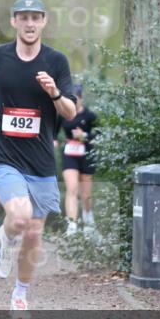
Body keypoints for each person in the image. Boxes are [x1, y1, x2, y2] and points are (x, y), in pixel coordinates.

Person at [0, 0, 76, 319]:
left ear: (44, 22)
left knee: (35, 231)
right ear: (13, 21)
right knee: (20, 215)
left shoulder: (56, 61)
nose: (29, 23)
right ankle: (4, 239)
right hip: (3, 155)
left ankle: (21, 294)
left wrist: (54, 92)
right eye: (23, 17)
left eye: (35, 17)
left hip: (40, 159)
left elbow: (69, 112)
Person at [58, 83, 98, 236]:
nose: (74, 102)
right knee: (72, 188)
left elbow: (100, 133)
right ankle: (72, 226)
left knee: (86, 194)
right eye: (71, 99)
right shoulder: (63, 114)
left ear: (81, 98)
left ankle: (89, 222)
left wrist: (86, 136)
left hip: (86, 154)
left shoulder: (90, 115)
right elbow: (54, 130)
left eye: (76, 99)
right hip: (70, 153)